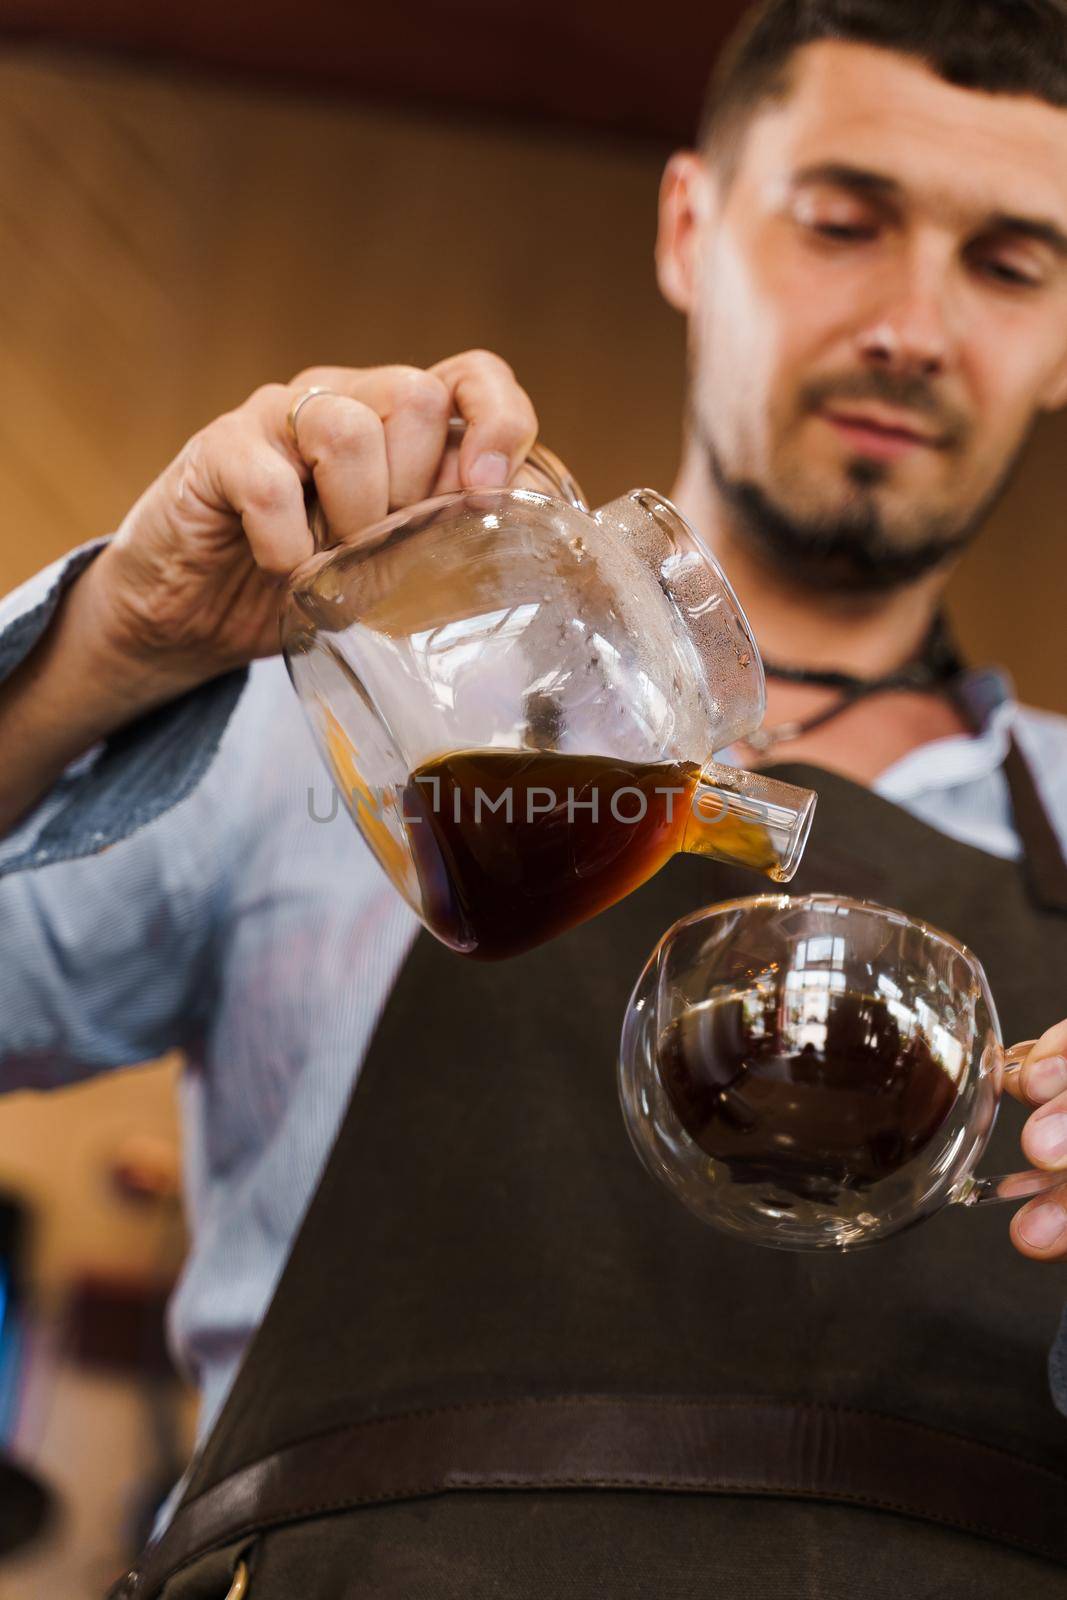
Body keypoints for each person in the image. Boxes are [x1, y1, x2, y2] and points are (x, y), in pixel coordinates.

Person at [3, 0, 1067, 1593]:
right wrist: (108, 649)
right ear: (690, 228)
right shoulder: (324, 725)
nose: (911, 325)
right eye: (843, 222)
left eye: (1010, 264)